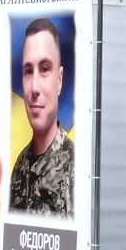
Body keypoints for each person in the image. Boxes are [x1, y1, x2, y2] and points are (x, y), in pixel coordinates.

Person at [9, 18, 75, 218]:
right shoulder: (20, 165)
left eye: (45, 69)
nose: (35, 87)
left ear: (59, 80)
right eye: (28, 71)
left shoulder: (76, 168)